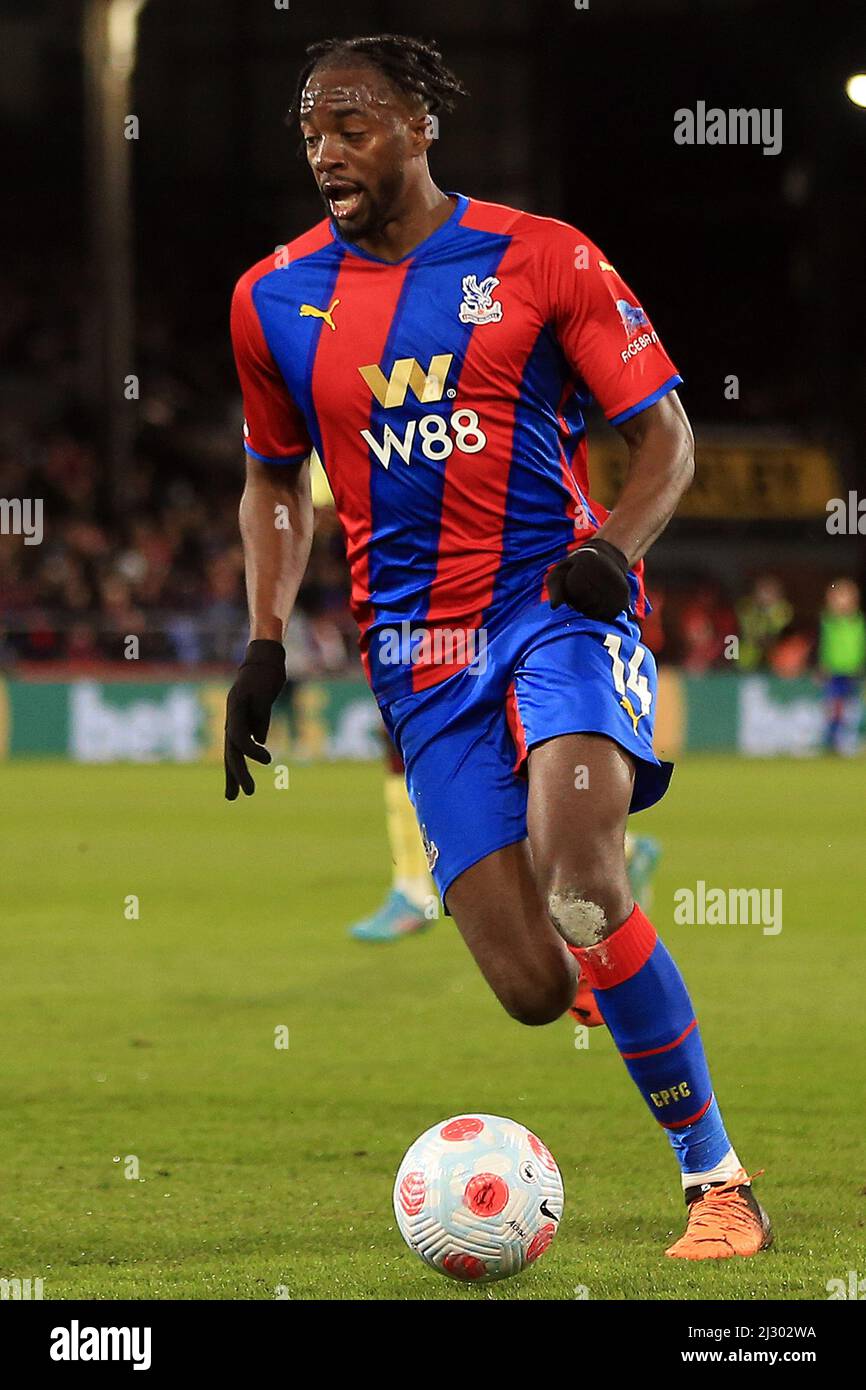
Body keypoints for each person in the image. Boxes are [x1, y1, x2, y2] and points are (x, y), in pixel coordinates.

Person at [224, 33, 770, 1260]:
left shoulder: (541, 257)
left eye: (351, 123)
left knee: (578, 871)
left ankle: (718, 1184)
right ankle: (603, 943)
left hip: (553, 613)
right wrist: (262, 642)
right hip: (415, 658)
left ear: (421, 125)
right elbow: (269, 480)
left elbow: (666, 437)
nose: (324, 150)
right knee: (532, 986)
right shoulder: (273, 297)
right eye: (310, 128)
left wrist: (614, 551)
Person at [819, 578, 865, 754]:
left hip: (854, 671)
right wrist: (822, 665)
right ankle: (833, 741)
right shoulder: (828, 621)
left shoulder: (858, 622)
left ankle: (851, 739)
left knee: (853, 707)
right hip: (834, 672)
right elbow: (824, 645)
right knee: (834, 707)